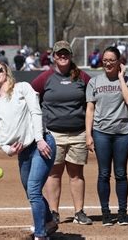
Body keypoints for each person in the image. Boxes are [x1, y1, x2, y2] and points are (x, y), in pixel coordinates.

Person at [0, 61, 57, 239]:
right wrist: (8, 149)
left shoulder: (23, 88)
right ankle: (49, 221)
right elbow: (0, 138)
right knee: (31, 191)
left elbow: (36, 112)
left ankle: (40, 235)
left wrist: (39, 139)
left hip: (42, 143)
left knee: (33, 189)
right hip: (23, 152)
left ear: (6, 72)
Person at [31, 40, 93, 226]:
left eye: (66, 53)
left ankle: (79, 212)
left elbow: (92, 101)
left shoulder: (82, 77)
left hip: (78, 133)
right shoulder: (45, 78)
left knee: (76, 174)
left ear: (71, 55)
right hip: (53, 134)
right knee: (53, 173)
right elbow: (31, 99)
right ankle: (54, 212)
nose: (63, 56)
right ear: (54, 56)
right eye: (59, 54)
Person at [85, 46, 128, 226]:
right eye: (105, 60)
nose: (107, 63)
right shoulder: (94, 82)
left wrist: (121, 77)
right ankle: (106, 212)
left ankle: (122, 213)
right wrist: (88, 135)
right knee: (103, 173)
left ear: (119, 62)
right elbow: (90, 109)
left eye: (111, 60)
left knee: (121, 173)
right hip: (101, 133)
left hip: (123, 133)